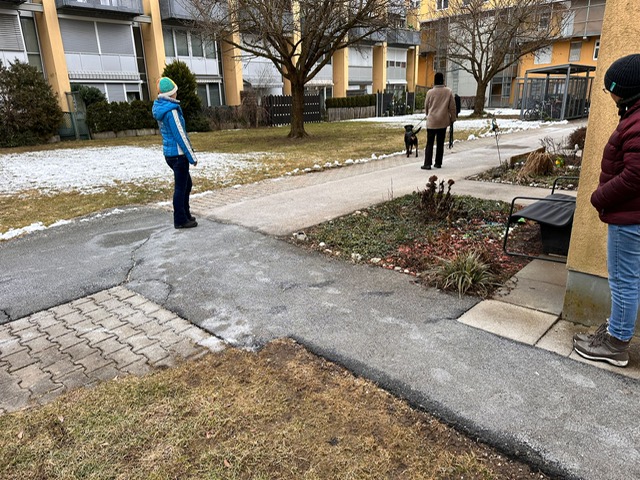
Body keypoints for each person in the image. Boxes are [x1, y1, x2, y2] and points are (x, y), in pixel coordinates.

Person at [573, 53, 640, 367]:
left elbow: (635, 175)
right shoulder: (634, 116)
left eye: (608, 88)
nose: (608, 93)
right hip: (630, 214)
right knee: (627, 278)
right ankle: (616, 330)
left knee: (623, 281)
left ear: (622, 91)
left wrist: (600, 197)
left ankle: (616, 344)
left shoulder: (637, 121)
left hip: (629, 218)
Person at [152, 77, 199, 229]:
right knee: (181, 187)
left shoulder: (162, 108)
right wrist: (191, 157)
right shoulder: (171, 111)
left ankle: (185, 214)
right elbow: (180, 135)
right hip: (178, 155)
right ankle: (180, 220)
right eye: (175, 91)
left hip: (170, 154)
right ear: (171, 94)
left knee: (186, 184)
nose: (177, 93)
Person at [422, 72, 457, 170]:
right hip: (443, 121)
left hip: (432, 121)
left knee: (429, 143)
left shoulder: (430, 92)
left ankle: (427, 163)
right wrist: (452, 119)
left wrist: (428, 114)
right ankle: (438, 163)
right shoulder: (448, 92)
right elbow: (452, 107)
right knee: (440, 143)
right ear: (443, 80)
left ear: (434, 81)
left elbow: (426, 106)